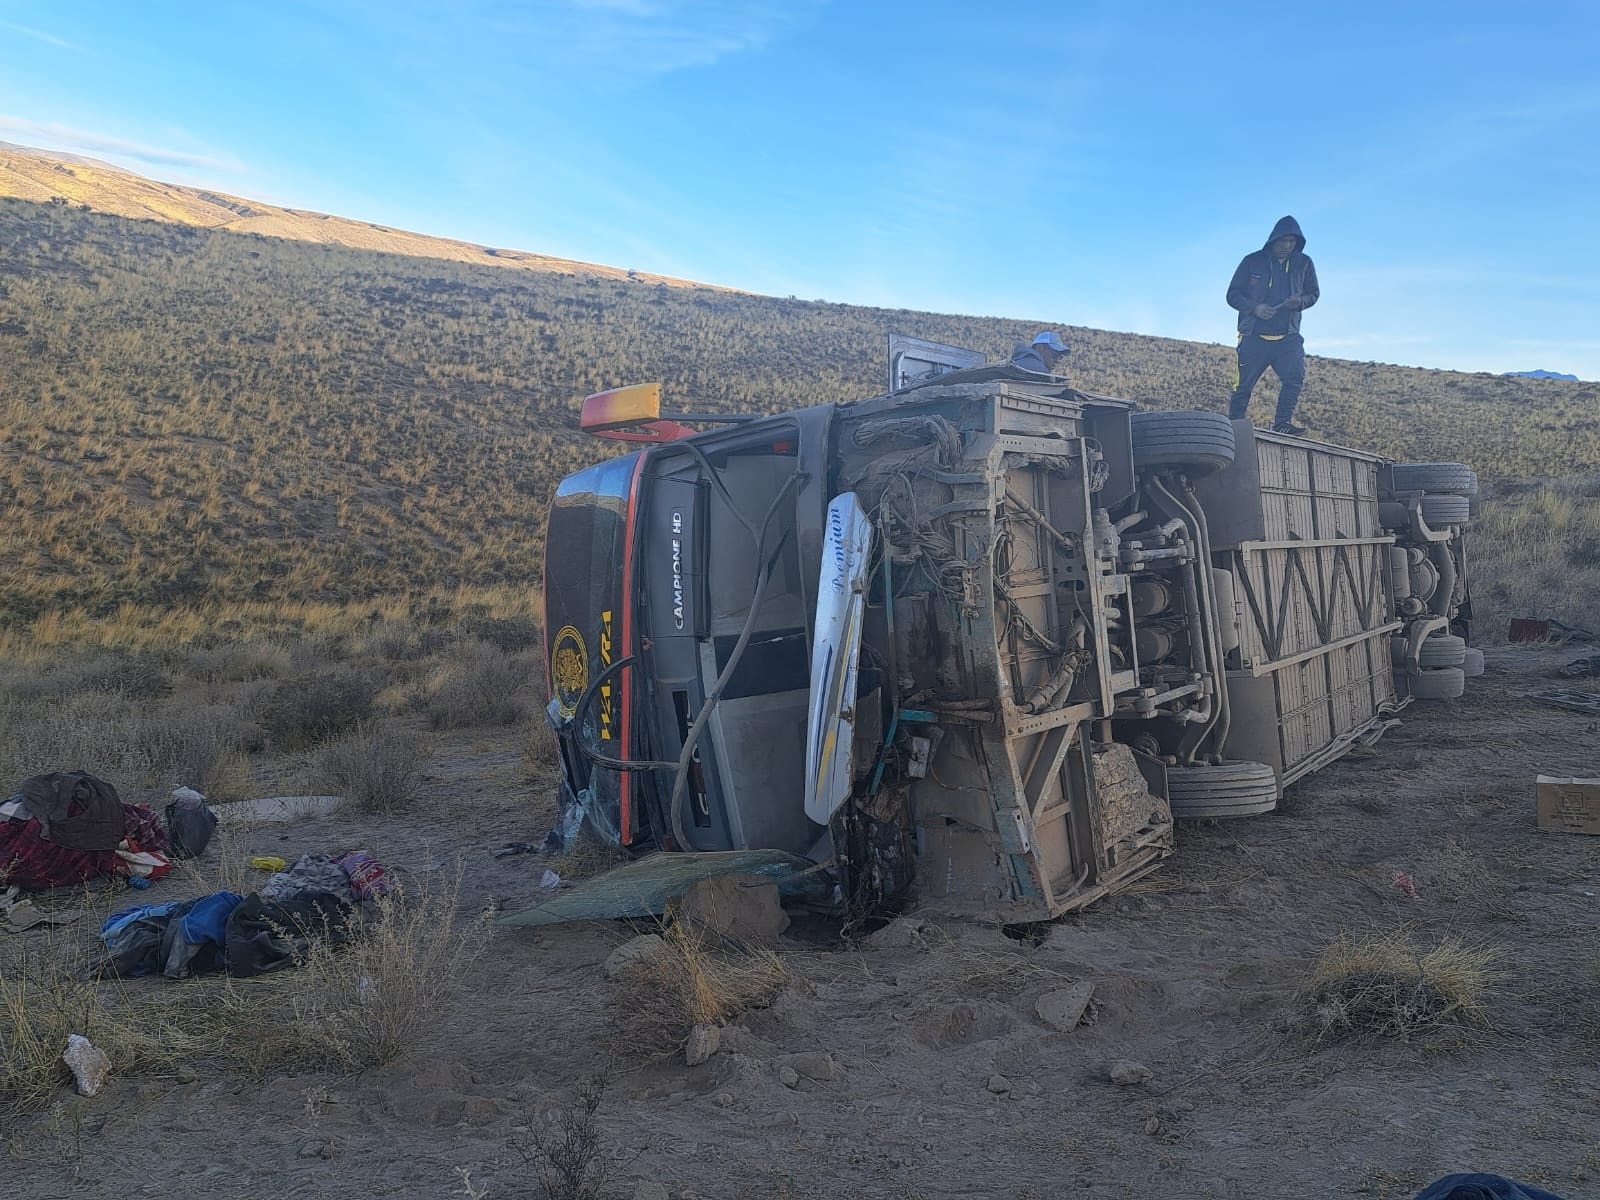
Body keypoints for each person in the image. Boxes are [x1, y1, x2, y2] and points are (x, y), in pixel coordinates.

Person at [1225, 216, 1319, 434]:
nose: (1287, 246)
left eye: (1291, 242)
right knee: (1243, 387)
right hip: (1253, 336)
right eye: (1283, 241)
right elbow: (1232, 295)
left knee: (1295, 377)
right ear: (1273, 240)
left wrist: (1301, 302)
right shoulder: (1252, 261)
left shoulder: (1304, 263)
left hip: (1288, 337)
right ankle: (1234, 428)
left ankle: (1282, 424)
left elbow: (1313, 294)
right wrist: (1254, 308)